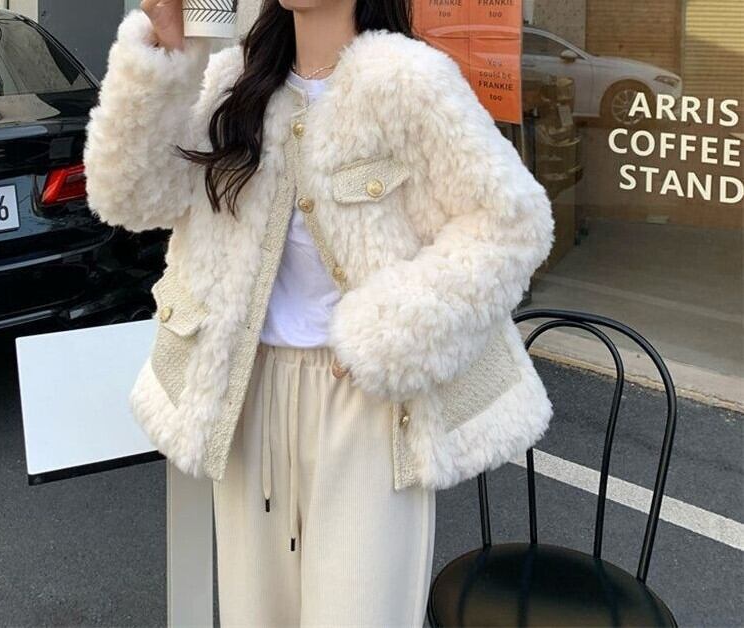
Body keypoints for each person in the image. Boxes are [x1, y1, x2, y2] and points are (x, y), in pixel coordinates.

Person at [83, 0, 556, 625]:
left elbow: (512, 222)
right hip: (246, 397)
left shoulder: (408, 81)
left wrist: (392, 331)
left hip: (367, 407)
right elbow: (129, 197)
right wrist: (165, 55)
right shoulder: (234, 83)